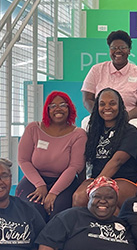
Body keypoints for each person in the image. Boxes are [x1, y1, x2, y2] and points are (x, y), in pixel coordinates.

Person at [16, 91, 87, 220]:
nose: (58, 109)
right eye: (53, 105)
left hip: (64, 183)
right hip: (34, 180)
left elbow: (75, 167)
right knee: (33, 209)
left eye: (63, 105)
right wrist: (40, 185)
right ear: (47, 110)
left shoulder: (78, 134)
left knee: (58, 211)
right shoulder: (33, 129)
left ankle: (50, 241)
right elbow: (23, 160)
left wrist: (54, 192)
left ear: (69, 108)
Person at [72, 88, 137, 207]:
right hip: (96, 177)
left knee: (107, 197)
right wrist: (86, 182)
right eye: (102, 104)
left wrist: (98, 184)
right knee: (79, 197)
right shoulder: (93, 131)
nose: (107, 107)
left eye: (112, 103)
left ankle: (114, 226)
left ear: (120, 106)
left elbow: (117, 161)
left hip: (125, 179)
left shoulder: (130, 131)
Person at [81, 30, 137, 139]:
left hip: (130, 118)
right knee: (86, 124)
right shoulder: (96, 70)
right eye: (113, 48)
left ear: (129, 50)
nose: (118, 51)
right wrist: (100, 116)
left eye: (122, 47)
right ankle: (91, 156)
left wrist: (122, 118)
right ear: (109, 50)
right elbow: (87, 99)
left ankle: (131, 156)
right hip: (101, 115)